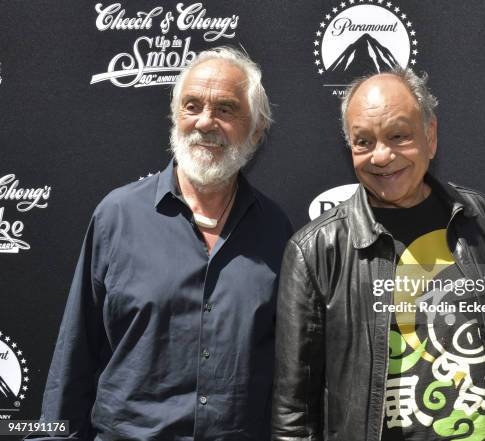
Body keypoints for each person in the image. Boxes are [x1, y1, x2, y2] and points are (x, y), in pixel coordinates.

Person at [271, 69, 485, 441]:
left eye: (398, 136)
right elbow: (295, 412)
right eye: (363, 141)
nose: (382, 156)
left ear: (430, 136)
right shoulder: (314, 251)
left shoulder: (482, 219)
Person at [34, 46, 293, 440]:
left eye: (225, 109)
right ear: (175, 118)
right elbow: (74, 359)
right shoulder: (117, 217)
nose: (206, 122)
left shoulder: (276, 231)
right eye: (192, 106)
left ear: (256, 130)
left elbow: (288, 379)